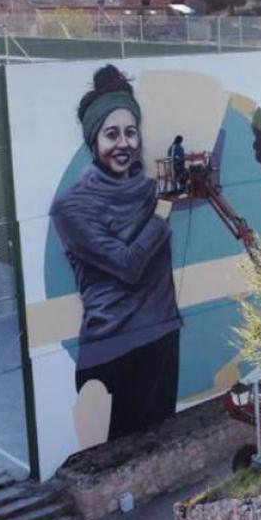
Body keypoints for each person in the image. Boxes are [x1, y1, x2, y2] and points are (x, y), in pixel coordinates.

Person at [50, 64, 182, 441]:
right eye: (111, 134)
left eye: (130, 132)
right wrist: (162, 210)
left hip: (162, 340)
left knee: (161, 445)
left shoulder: (150, 190)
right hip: (113, 353)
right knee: (120, 453)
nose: (123, 143)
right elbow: (127, 265)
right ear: (93, 142)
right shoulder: (73, 207)